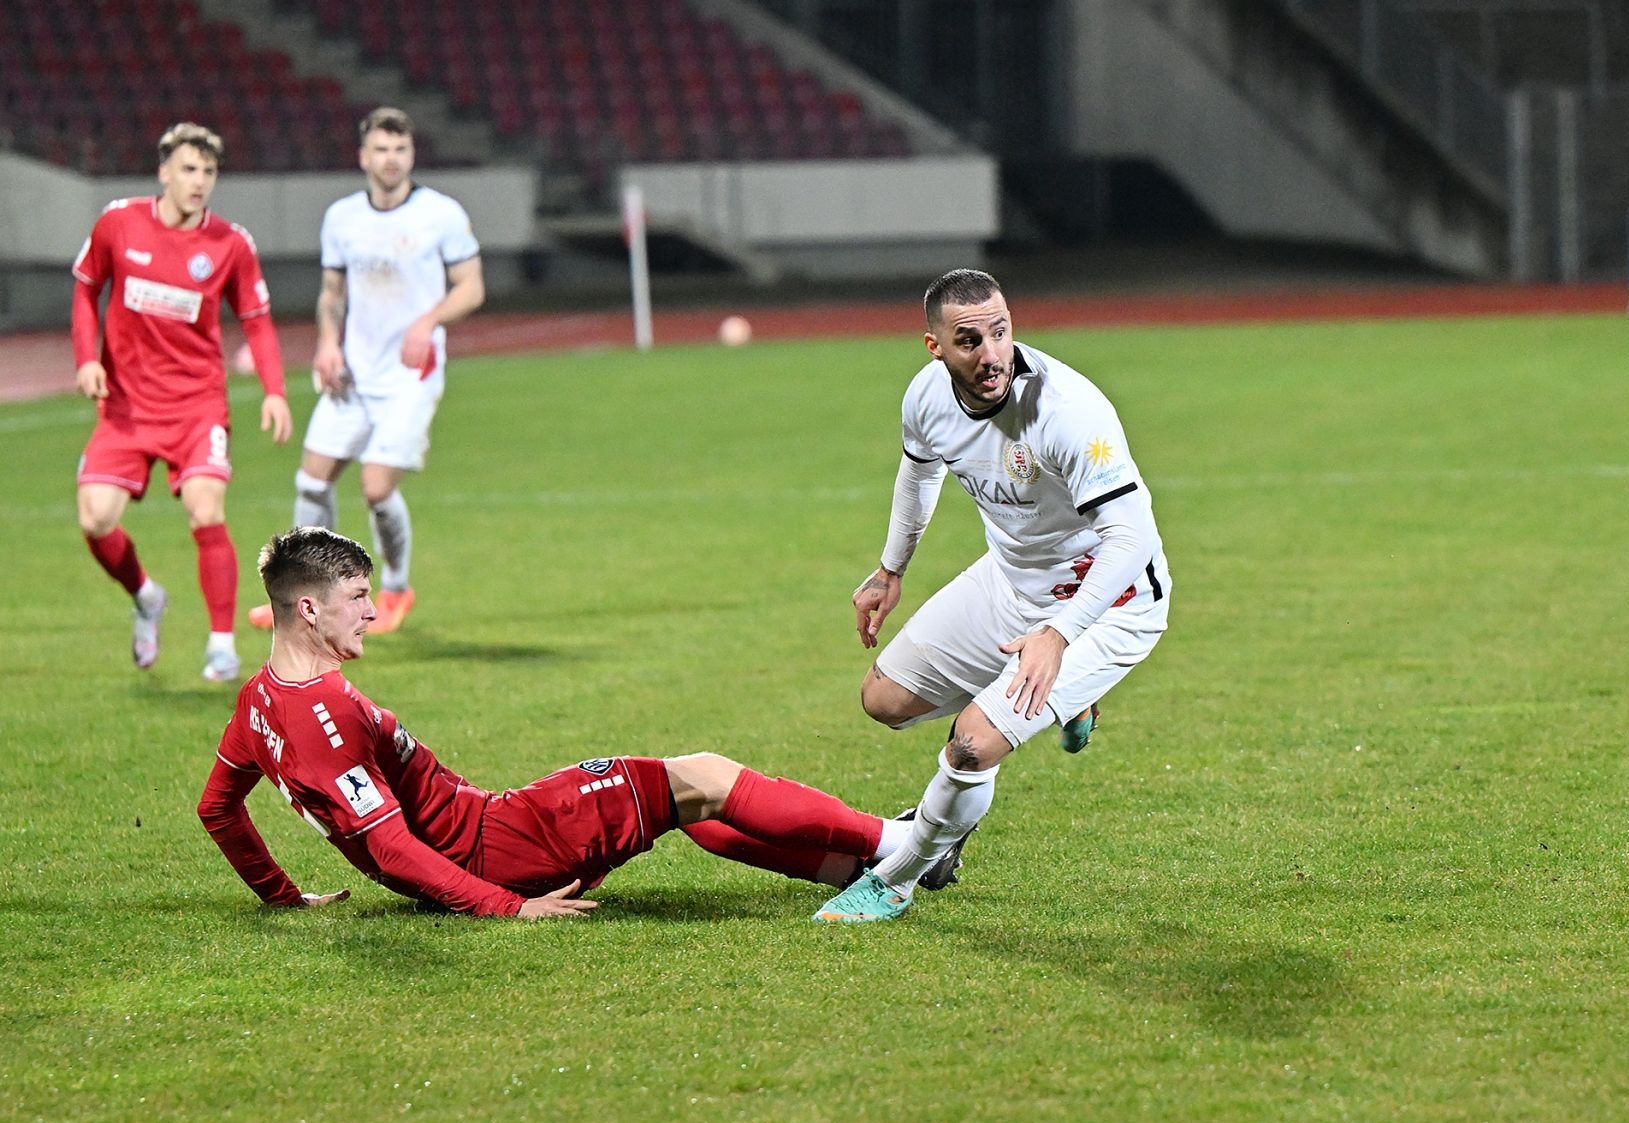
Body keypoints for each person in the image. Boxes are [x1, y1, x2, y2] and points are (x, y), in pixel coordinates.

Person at [199, 527, 945, 917]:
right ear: (309, 608)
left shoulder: (260, 700)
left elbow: (217, 808)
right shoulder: (323, 715)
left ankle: (855, 869)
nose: (370, 611)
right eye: (358, 597)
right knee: (704, 775)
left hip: (492, 831)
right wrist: (508, 906)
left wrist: (281, 894)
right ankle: (908, 842)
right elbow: (391, 848)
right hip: (500, 849)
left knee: (679, 801)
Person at [814, 269, 1173, 923]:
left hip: (1109, 604)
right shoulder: (927, 397)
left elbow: (1131, 537)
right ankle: (1062, 702)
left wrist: (1059, 635)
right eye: (969, 340)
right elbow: (919, 472)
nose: (991, 355)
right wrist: (891, 569)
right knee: (883, 700)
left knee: (972, 745)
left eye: (1000, 332)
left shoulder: (1068, 411)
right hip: (1009, 581)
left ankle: (898, 878)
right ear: (935, 347)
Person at [247, 106, 483, 638]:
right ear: (363, 157)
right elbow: (332, 294)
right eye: (381, 149)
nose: (391, 159)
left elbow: (472, 287)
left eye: (400, 149)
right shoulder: (342, 218)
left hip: (410, 375)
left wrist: (428, 321)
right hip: (354, 375)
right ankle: (306, 597)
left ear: (412, 154)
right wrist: (328, 345)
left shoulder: (440, 213)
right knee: (312, 481)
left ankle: (396, 588)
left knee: (376, 487)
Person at [72, 121, 292, 682]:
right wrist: (86, 359)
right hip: (126, 407)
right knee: (95, 519)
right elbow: (86, 287)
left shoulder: (230, 244)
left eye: (209, 172)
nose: (199, 181)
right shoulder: (119, 223)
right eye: (189, 169)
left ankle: (221, 646)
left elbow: (257, 321)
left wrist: (274, 391)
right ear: (164, 173)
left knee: (206, 507)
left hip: (197, 406)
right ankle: (146, 596)